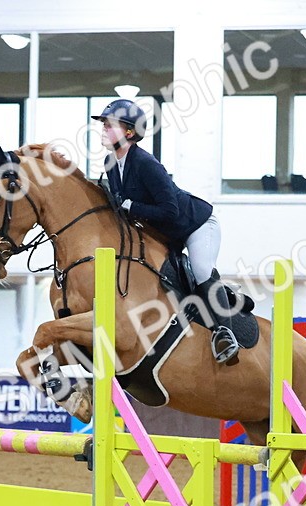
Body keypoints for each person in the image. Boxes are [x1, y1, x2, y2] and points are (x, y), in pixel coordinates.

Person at [92, 98, 241, 364]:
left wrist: (131, 205)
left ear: (129, 131)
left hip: (195, 225)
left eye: (109, 124)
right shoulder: (110, 164)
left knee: (201, 271)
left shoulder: (145, 163)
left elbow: (169, 210)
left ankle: (224, 332)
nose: (103, 128)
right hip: (164, 234)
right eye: (103, 123)